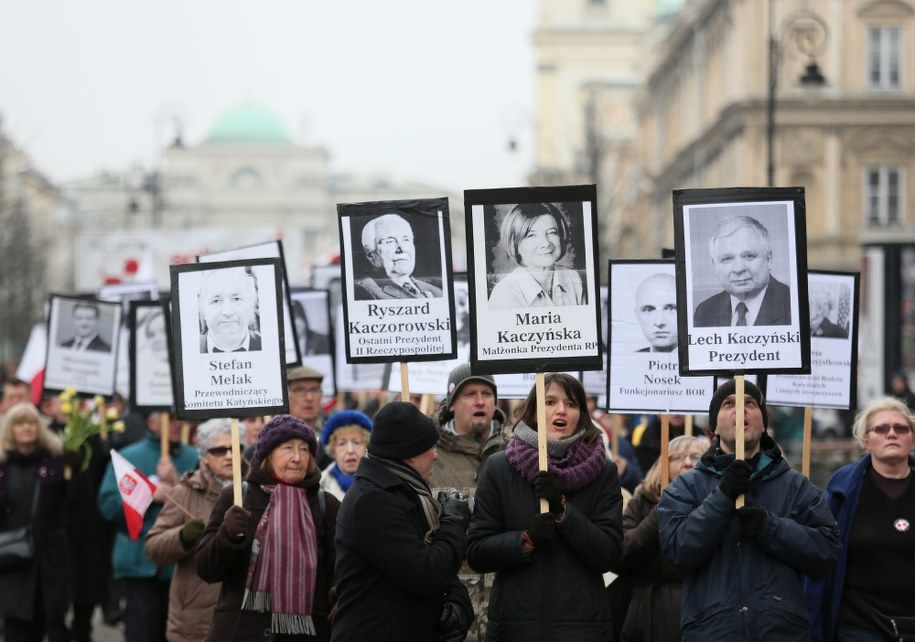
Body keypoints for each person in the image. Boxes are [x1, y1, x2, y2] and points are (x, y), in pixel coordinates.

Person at [657, 379, 840, 640]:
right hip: (714, 632)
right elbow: (679, 550)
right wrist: (723, 497)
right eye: (729, 404)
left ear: (763, 422)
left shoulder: (795, 485)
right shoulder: (684, 487)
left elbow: (826, 551)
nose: (740, 410)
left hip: (782, 633)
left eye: (750, 404)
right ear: (714, 426)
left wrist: (770, 528)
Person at [466, 372, 623, 640]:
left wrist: (563, 511)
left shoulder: (603, 472)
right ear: (535, 411)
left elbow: (609, 555)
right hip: (515, 629)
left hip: (582, 630)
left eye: (571, 404)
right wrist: (526, 540)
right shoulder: (499, 468)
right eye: (550, 401)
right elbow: (477, 552)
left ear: (581, 414)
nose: (561, 409)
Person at [332, 402, 473, 642]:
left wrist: (459, 602)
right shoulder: (373, 501)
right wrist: (453, 522)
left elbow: (439, 567)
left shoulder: (403, 490)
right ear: (409, 455)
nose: (436, 455)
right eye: (430, 447)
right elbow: (425, 571)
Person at [196, 414, 340, 641]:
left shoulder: (326, 505)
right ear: (267, 455)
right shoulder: (236, 497)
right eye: (287, 448)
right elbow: (207, 569)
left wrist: (339, 597)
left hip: (307, 632)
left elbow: (339, 571)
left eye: (304, 449)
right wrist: (228, 536)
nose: (297, 457)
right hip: (241, 631)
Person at [805, 397, 915, 641]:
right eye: (881, 429)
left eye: (901, 428)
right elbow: (820, 560)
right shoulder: (842, 492)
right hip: (860, 626)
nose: (892, 434)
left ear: (913, 439)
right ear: (866, 440)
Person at [97, 411, 199, 642]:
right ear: (152, 422)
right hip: (138, 562)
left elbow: (206, 506)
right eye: (169, 419)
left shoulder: (195, 457)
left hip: (180, 565)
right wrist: (149, 494)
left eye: (178, 418)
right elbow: (108, 505)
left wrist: (178, 485)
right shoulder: (128, 457)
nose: (176, 424)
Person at [145, 418, 247, 642]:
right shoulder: (186, 492)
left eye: (235, 448)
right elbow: (153, 547)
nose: (229, 455)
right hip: (197, 618)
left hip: (247, 615)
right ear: (204, 456)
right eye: (220, 450)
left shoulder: (257, 489)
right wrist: (182, 536)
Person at [430, 363, 511, 642]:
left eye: (487, 393)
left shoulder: (518, 451)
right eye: (469, 394)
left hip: (505, 598)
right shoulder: (428, 454)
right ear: (451, 403)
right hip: (450, 601)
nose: (480, 401)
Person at [615, 435, 708, 642]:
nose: (687, 462)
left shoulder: (714, 508)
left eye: (695, 456)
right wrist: (661, 511)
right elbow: (621, 553)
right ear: (662, 465)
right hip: (644, 616)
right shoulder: (642, 502)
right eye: (677, 457)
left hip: (695, 614)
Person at [0, 403, 70, 642]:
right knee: (16, 628)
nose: (26, 428)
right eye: (20, 423)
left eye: (31, 422)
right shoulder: (3, 467)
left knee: (48, 623)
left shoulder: (54, 463)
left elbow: (72, 504)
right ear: (10, 429)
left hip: (49, 562)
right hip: (13, 560)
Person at [693, 215, 792, 327]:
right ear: (715, 266)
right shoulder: (704, 312)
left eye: (749, 256)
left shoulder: (794, 305)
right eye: (727, 259)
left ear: (769, 260)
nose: (738, 269)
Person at [488, 202, 586, 309]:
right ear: (515, 244)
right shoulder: (504, 296)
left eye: (552, 232)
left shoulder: (572, 278)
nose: (546, 243)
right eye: (531, 235)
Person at [355, 213, 443, 300]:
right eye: (390, 241)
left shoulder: (437, 292)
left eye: (406, 239)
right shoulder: (365, 291)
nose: (402, 248)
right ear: (370, 254)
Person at [198, 266, 261, 353]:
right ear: (203, 310)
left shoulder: (269, 348)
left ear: (250, 306)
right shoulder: (189, 351)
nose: (228, 312)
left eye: (236, 299)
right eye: (216, 301)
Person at [318, 410, 372, 500]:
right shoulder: (320, 487)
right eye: (342, 443)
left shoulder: (382, 482)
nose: (350, 450)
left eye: (356, 442)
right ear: (333, 450)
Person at [287, 365, 331, 469]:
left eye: (314, 390)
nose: (309, 398)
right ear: (287, 396)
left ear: (321, 395)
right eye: (300, 391)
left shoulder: (333, 437)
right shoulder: (272, 441)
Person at [635, 273, 678, 352]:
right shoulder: (630, 360)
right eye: (648, 309)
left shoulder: (700, 361)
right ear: (637, 315)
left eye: (670, 308)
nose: (659, 322)